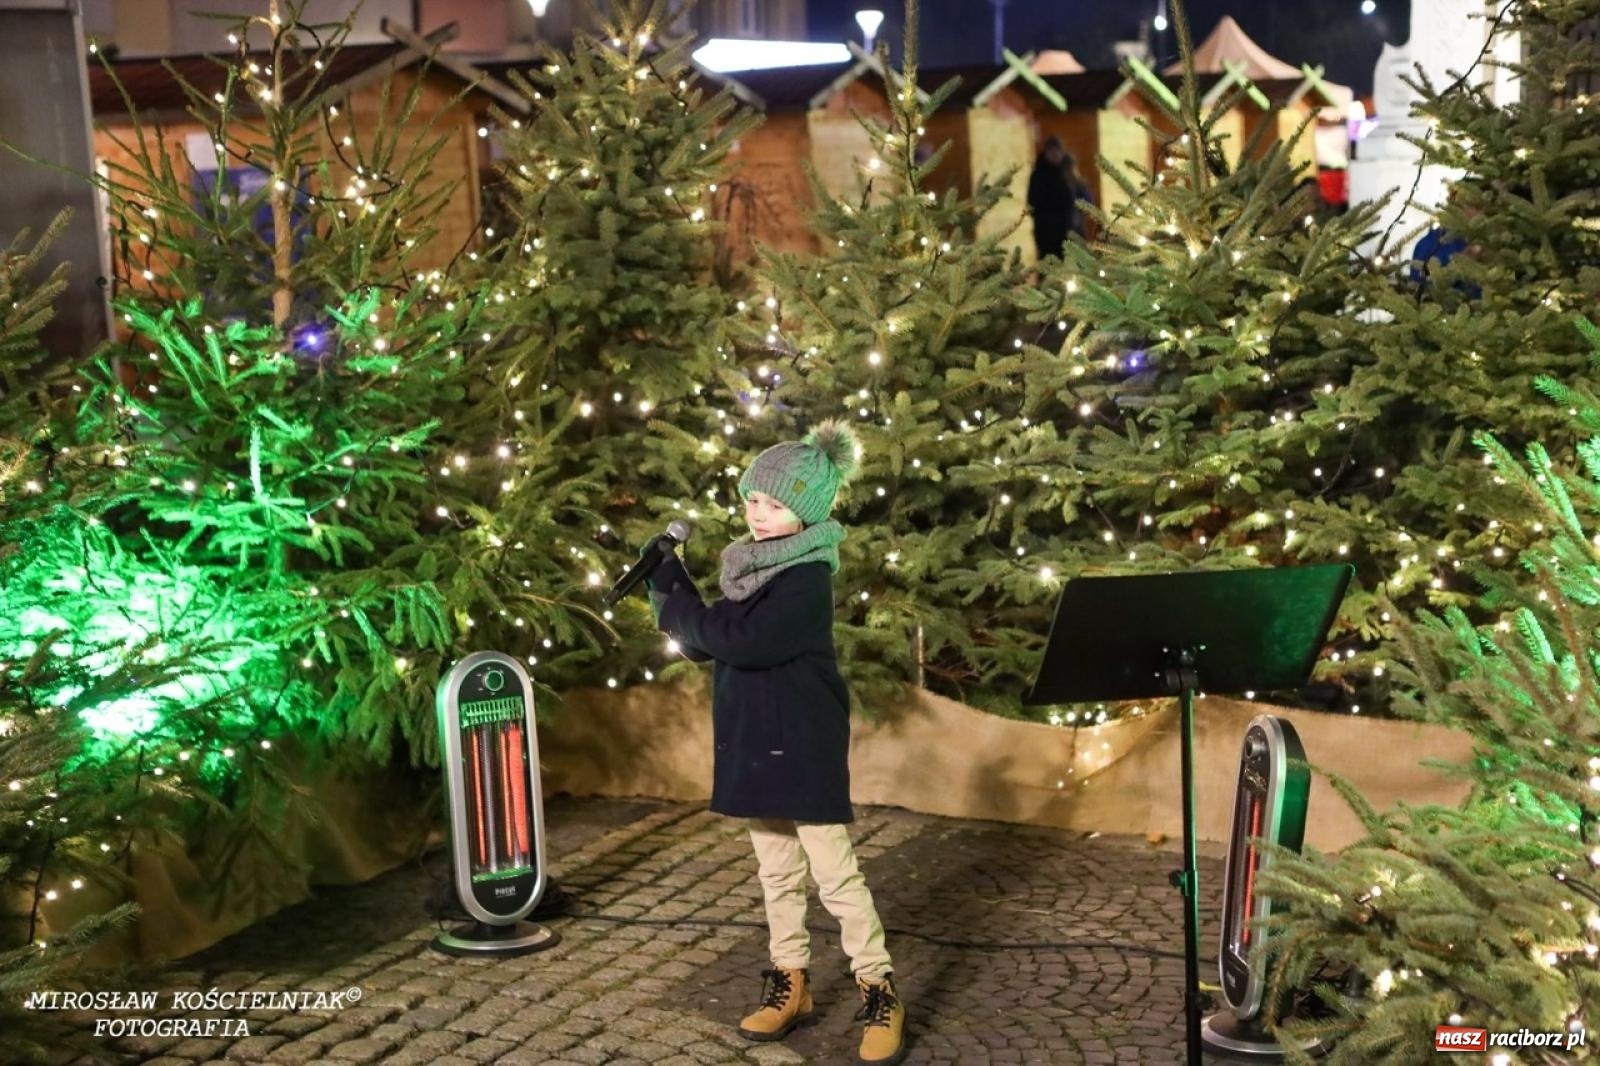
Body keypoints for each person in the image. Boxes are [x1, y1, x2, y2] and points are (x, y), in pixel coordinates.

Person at [646, 420, 907, 1066]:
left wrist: (672, 600)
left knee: (834, 873)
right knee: (776, 870)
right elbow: (720, 630)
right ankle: (791, 979)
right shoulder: (755, 568)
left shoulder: (804, 579)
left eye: (773, 504)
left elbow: (736, 641)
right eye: (752, 500)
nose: (757, 514)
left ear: (806, 512)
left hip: (802, 741)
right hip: (757, 737)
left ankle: (879, 987)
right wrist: (671, 581)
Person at [1027, 136, 1074, 260]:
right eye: (1051, 151)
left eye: (1058, 151)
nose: (1055, 155)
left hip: (1066, 231)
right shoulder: (1038, 175)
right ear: (1046, 153)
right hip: (1045, 232)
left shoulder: (1066, 173)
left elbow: (1072, 200)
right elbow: (1032, 202)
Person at [1060, 150, 1095, 240]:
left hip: (1077, 227)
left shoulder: (1080, 184)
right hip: (1062, 229)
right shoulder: (1059, 184)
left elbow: (1089, 204)